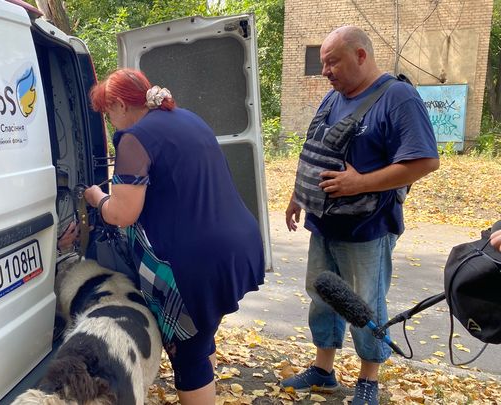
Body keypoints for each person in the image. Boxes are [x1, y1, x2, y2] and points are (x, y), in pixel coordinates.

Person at [83, 68, 265, 404]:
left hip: (198, 265)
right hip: (240, 246)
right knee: (203, 334)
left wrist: (97, 197)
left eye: (108, 114)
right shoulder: (187, 118)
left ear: (121, 105)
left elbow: (123, 214)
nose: (110, 123)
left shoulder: (134, 139)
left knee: (188, 353)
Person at [281, 26, 440, 405]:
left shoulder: (397, 97)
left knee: (365, 303)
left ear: (361, 56)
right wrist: (296, 197)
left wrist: (361, 183)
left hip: (368, 228)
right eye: (323, 63)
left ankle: (369, 378)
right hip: (323, 223)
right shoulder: (333, 99)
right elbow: (314, 152)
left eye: (332, 61)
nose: (325, 71)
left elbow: (425, 161)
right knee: (323, 297)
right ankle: (324, 370)